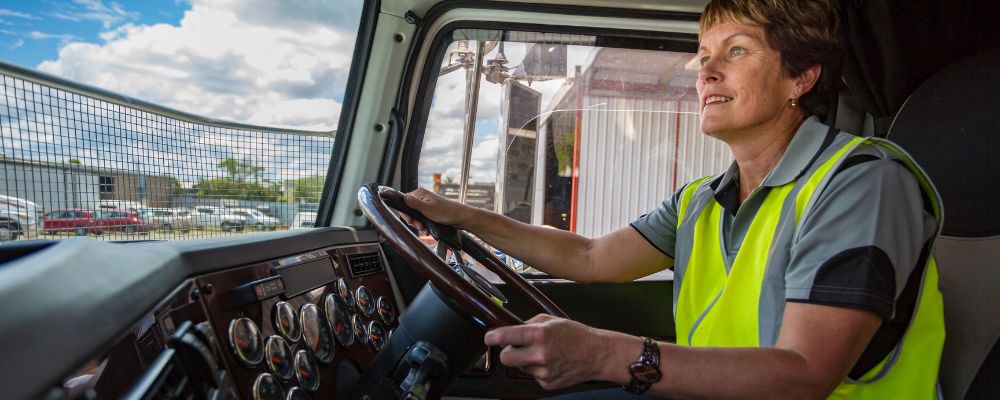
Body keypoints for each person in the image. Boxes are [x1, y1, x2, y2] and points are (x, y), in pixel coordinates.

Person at [401, 0, 945, 398]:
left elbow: (803, 375)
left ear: (801, 76)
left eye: (736, 51)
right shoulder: (702, 200)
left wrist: (607, 354)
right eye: (703, 54)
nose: (705, 71)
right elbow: (590, 257)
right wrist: (462, 217)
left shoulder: (861, 183)